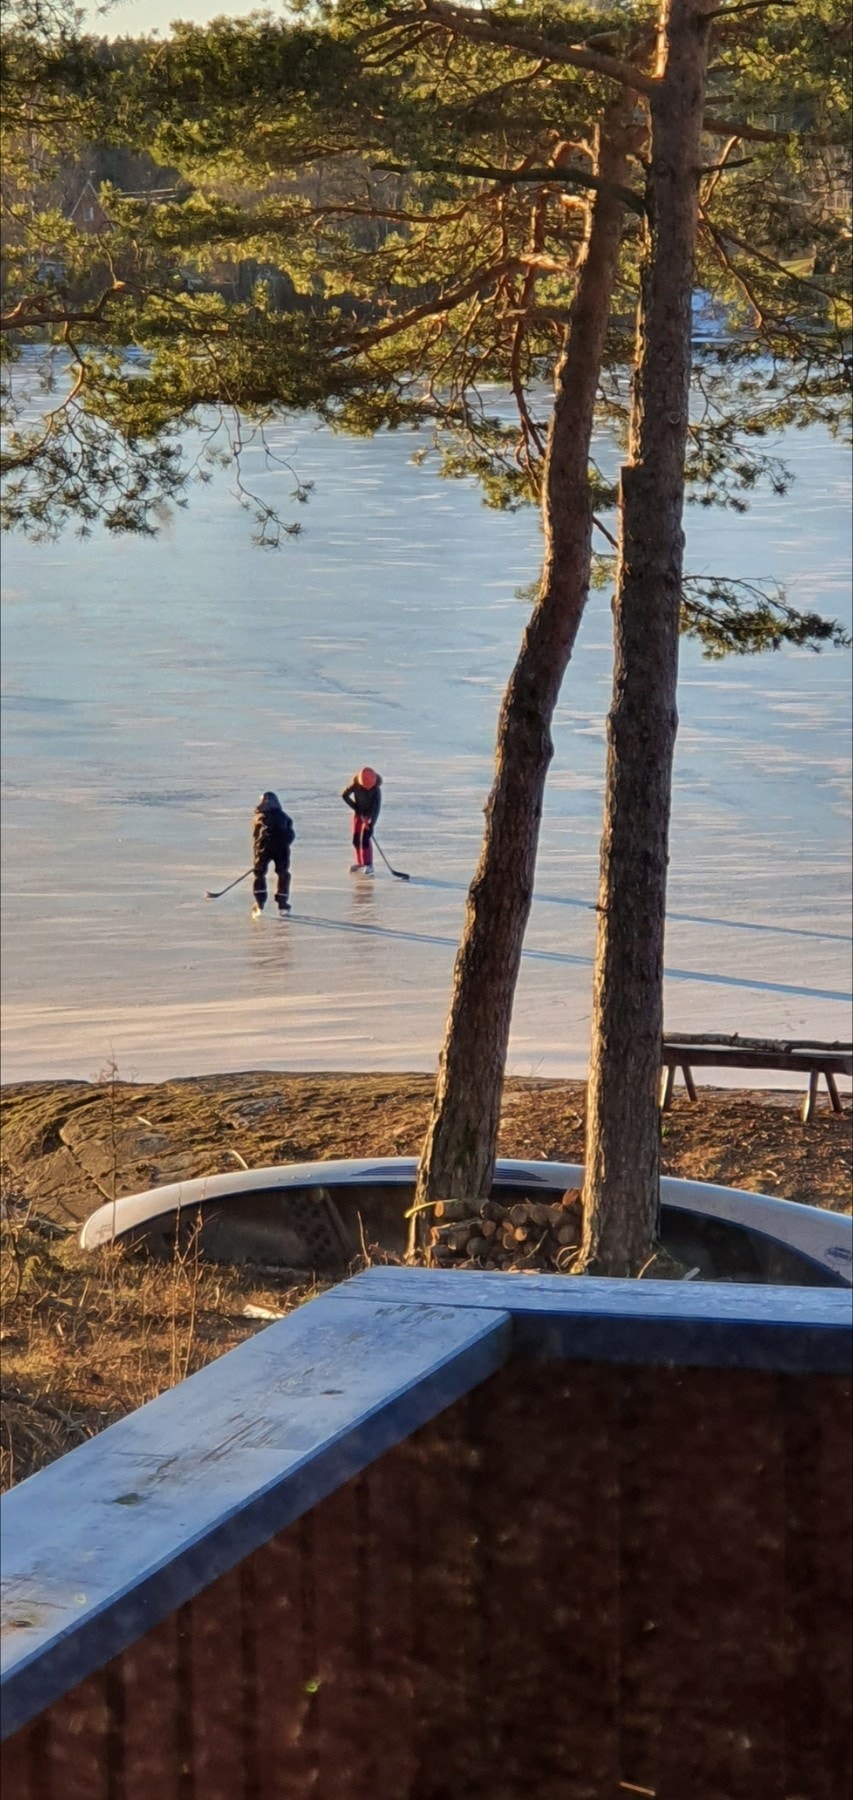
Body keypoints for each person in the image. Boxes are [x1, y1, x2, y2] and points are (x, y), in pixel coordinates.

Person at [252, 791, 295, 915]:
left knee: (259, 873)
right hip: (280, 850)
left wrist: (258, 851)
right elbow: (290, 835)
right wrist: (282, 843)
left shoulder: (258, 817)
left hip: (264, 850)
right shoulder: (284, 817)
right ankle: (283, 904)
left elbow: (256, 837)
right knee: (283, 874)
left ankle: (260, 902)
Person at [342, 767, 382, 873]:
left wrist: (371, 823)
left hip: (369, 816)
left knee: (365, 838)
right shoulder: (356, 785)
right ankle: (360, 863)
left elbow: (376, 808)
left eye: (368, 786)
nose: (366, 787)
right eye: (364, 785)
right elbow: (344, 795)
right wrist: (356, 808)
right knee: (356, 839)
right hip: (359, 814)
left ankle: (368, 864)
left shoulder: (376, 790)